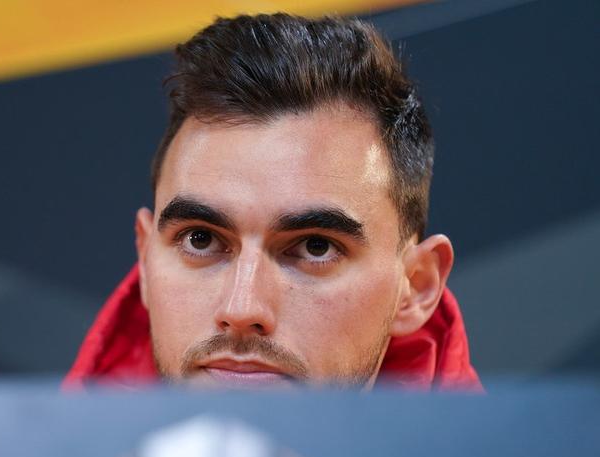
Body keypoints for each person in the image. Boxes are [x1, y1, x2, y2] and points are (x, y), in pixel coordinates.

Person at [64, 12, 480, 390]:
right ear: (145, 262)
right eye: (200, 240)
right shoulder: (48, 453)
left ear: (417, 287)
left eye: (316, 247)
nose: (242, 309)